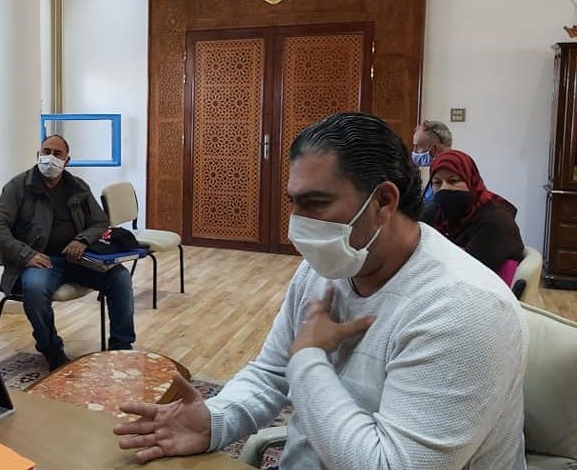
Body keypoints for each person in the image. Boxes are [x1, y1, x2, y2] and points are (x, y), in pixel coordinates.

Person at [115, 113, 527, 469]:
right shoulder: (328, 267)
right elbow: (271, 371)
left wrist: (308, 358)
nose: (297, 224)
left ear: (384, 201)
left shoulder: (463, 308)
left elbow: (390, 463)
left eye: (316, 203)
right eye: (294, 202)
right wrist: (214, 419)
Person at [0, 134, 136, 370]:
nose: (50, 158)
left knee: (120, 277)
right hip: (39, 261)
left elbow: (100, 222)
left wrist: (82, 240)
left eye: (57, 154)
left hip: (78, 259)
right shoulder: (19, 186)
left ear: (67, 160)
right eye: (46, 152)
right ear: (38, 155)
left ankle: (121, 348)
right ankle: (52, 350)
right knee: (35, 289)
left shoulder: (78, 187)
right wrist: (26, 254)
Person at [420, 149, 525, 282]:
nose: (444, 188)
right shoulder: (433, 213)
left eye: (453, 181)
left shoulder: (495, 221)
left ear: (471, 181)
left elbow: (470, 277)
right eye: (437, 183)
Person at [412, 119, 453, 206]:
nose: (414, 151)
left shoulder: (447, 174)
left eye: (417, 146)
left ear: (435, 148)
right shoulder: (437, 170)